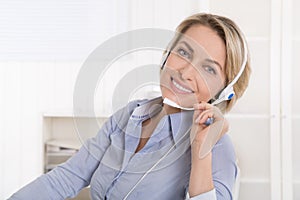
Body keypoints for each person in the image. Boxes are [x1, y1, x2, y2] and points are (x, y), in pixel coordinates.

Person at [9, 13, 251, 200]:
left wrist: (201, 150)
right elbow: (67, 177)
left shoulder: (217, 147)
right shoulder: (130, 115)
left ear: (224, 91)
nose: (186, 72)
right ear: (168, 54)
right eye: (184, 52)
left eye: (208, 69)